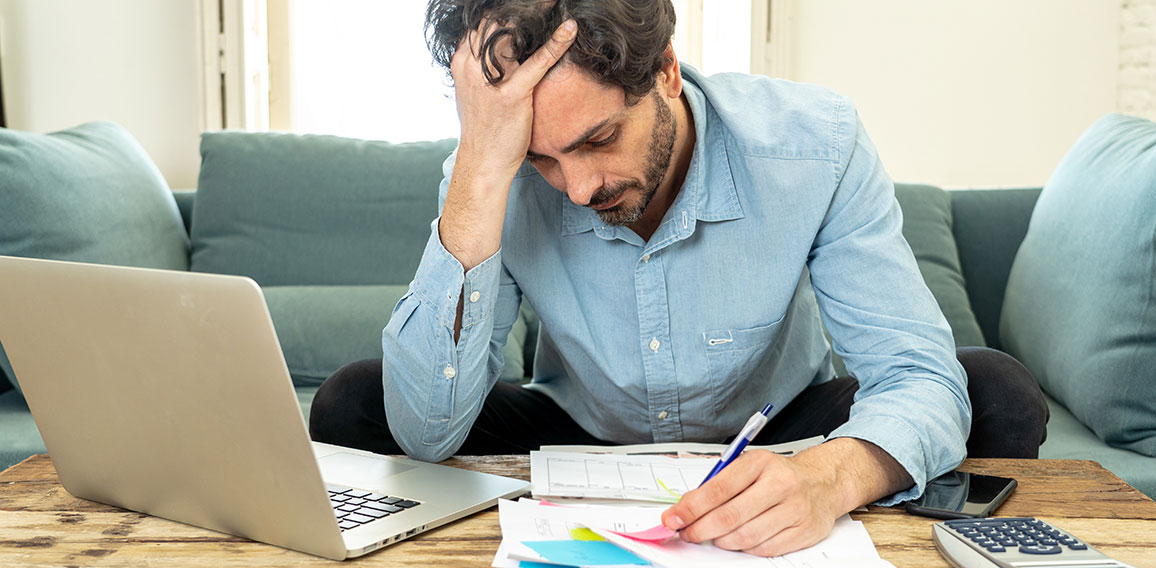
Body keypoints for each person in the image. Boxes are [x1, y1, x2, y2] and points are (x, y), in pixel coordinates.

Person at [310, 0, 1048, 557]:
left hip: (780, 426)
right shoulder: (491, 176)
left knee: (995, 392)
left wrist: (833, 476)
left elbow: (915, 371)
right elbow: (424, 429)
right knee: (352, 404)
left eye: (597, 140)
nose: (574, 189)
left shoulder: (813, 145)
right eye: (541, 159)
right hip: (586, 430)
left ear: (665, 70)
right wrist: (481, 168)